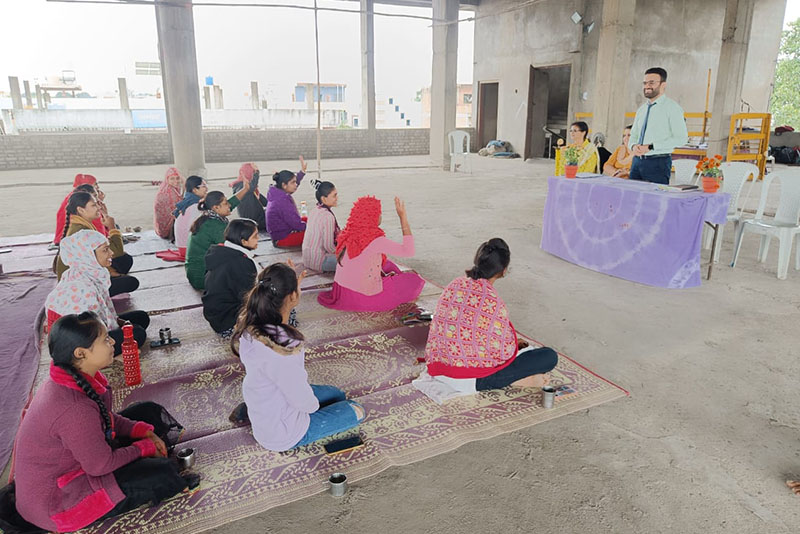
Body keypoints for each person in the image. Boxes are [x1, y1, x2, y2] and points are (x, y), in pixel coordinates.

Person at [8, 312, 197, 533]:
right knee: (160, 474)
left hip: (78, 465)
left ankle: (147, 448)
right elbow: (100, 466)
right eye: (105, 340)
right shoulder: (73, 408)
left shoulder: (71, 378)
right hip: (59, 501)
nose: (113, 343)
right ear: (80, 353)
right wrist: (142, 448)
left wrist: (143, 432)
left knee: (148, 412)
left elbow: (104, 417)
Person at [228, 263, 365, 451]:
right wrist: (314, 406)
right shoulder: (284, 349)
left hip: (263, 397)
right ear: (292, 296)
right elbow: (306, 405)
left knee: (336, 394)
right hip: (283, 434)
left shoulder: (252, 325)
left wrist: (290, 293)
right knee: (356, 410)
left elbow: (281, 319)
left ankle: (252, 411)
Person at [424, 238, 558, 392]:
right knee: (548, 356)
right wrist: (514, 344)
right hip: (469, 379)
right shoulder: (492, 300)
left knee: (521, 348)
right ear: (504, 270)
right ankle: (518, 380)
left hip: (438, 368)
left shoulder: (455, 284)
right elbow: (503, 352)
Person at [46, 231, 150, 353]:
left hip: (87, 329)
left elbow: (100, 314)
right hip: (75, 346)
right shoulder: (82, 288)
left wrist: (119, 322)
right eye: (105, 250)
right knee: (138, 333)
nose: (111, 253)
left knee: (141, 318)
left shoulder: (87, 272)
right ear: (89, 255)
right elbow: (88, 335)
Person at [317, 196, 425, 312]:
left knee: (388, 264)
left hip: (342, 293)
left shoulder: (346, 232)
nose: (380, 216)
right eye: (379, 213)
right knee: (415, 281)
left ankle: (392, 277)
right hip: (364, 298)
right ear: (373, 216)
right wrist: (402, 217)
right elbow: (409, 251)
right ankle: (394, 281)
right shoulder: (375, 240)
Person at [55, 192, 139, 297]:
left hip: (87, 272)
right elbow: (117, 251)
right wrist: (112, 227)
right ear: (81, 210)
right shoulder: (81, 230)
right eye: (94, 205)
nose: (99, 207)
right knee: (131, 282)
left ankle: (109, 276)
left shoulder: (83, 224)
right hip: (80, 286)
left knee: (125, 259)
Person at [185, 183, 254, 290]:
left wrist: (245, 189)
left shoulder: (210, 216)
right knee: (241, 264)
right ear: (216, 208)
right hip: (202, 278)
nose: (229, 206)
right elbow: (234, 249)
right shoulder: (215, 226)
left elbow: (232, 202)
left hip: (196, 273)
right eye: (225, 203)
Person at [628, 67, 689, 184]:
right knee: (634, 199)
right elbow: (633, 135)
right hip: (637, 162)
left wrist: (651, 147)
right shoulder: (642, 110)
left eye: (652, 83)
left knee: (654, 201)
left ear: (663, 85)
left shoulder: (672, 108)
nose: (647, 86)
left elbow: (681, 139)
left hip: (658, 163)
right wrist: (633, 146)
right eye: (645, 83)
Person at [202, 218, 260, 338]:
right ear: (243, 241)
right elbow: (250, 298)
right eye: (255, 236)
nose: (258, 239)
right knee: (284, 308)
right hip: (229, 323)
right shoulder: (241, 262)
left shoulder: (222, 252)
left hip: (218, 318)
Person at [160, 175, 209, 262]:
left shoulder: (187, 201)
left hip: (182, 248)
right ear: (194, 190)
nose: (207, 189)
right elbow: (198, 230)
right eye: (204, 186)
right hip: (189, 249)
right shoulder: (195, 206)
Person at [266, 156, 307, 248]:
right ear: (284, 185)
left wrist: (302, 172)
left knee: (312, 219)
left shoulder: (277, 192)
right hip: (283, 238)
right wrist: (312, 227)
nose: (296, 185)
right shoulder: (281, 201)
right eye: (293, 183)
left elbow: (293, 184)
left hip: (283, 232)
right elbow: (296, 224)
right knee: (317, 232)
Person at [54, 174, 107, 245]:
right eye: (95, 184)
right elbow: (101, 234)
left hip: (62, 238)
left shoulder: (73, 197)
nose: (98, 187)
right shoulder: (85, 203)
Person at [302, 180, 340, 272]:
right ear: (324, 199)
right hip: (320, 262)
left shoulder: (314, 210)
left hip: (307, 259)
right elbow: (329, 247)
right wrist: (342, 253)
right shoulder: (328, 216)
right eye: (334, 196)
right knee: (353, 261)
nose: (337, 198)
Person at [231, 163, 268, 231]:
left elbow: (266, 202)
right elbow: (250, 188)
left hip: (258, 217)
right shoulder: (240, 186)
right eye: (253, 173)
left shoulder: (253, 189)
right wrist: (257, 173)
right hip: (251, 222)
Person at [153, 167, 183, 240]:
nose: (176, 181)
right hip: (166, 229)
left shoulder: (175, 189)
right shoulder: (165, 193)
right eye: (172, 179)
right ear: (167, 179)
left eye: (177, 178)